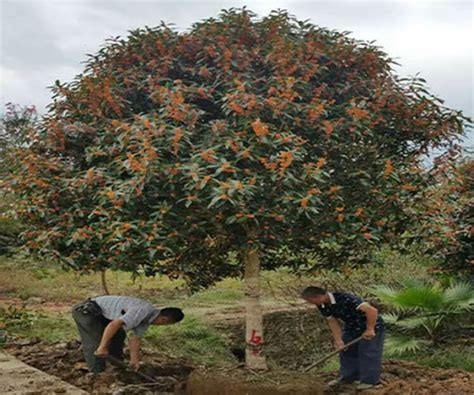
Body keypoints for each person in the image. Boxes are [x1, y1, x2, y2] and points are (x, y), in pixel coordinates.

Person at [72, 295, 184, 373]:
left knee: (119, 335)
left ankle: (116, 366)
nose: (161, 326)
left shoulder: (147, 319)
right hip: (86, 311)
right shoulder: (142, 311)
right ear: (165, 320)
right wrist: (103, 346)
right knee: (95, 341)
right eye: (165, 324)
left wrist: (134, 361)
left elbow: (135, 339)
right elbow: (114, 325)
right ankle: (97, 373)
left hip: (102, 315)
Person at [301, 286, 384, 390]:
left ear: (318, 296)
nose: (310, 303)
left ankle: (369, 380)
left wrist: (370, 329)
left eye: (310, 300)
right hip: (352, 327)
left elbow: (372, 311)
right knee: (346, 349)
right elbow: (332, 321)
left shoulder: (346, 298)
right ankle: (349, 376)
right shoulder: (322, 305)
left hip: (370, 325)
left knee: (368, 352)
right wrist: (338, 340)